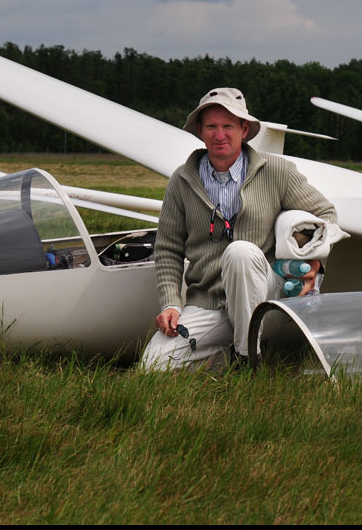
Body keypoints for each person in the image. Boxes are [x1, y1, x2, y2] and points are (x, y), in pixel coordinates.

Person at [140, 87, 337, 370]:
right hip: (207, 300)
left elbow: (327, 216)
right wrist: (170, 304)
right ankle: (226, 354)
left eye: (228, 126)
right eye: (211, 126)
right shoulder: (181, 181)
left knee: (240, 253)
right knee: (153, 368)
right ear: (200, 131)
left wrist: (311, 261)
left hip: (265, 296)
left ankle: (249, 362)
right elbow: (168, 249)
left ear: (244, 129)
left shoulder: (277, 171)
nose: (219, 135)